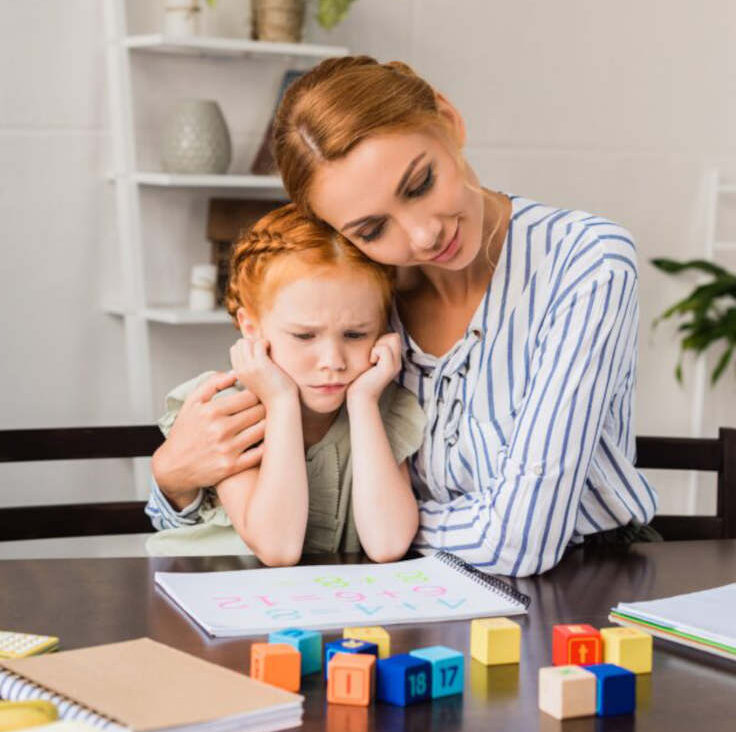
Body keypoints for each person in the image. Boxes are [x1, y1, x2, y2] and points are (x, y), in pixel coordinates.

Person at [149, 55, 658, 576]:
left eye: (419, 184)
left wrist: (364, 531)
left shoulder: (585, 260)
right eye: (371, 229)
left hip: (581, 576)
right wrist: (174, 479)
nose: (421, 236)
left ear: (448, 119)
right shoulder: (358, 294)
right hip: (397, 581)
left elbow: (519, 542)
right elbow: (286, 472)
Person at [146, 204, 425, 566]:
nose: (333, 360)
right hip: (211, 598)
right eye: (304, 335)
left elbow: (387, 543)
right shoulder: (228, 406)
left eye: (356, 334)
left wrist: (363, 402)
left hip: (317, 605)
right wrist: (280, 402)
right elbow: (278, 548)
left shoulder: (380, 405)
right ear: (251, 328)